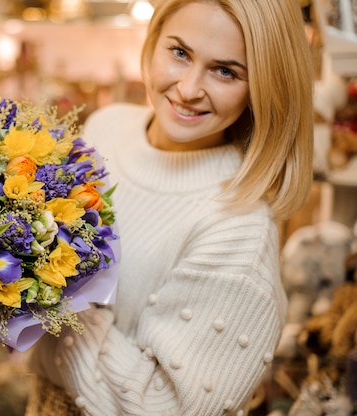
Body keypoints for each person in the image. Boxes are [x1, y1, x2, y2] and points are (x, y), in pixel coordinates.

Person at [26, 0, 314, 415]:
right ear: (154, 38)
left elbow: (165, 407)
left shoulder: (239, 230)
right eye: (180, 53)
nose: (189, 88)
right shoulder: (107, 126)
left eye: (226, 71)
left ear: (261, 87)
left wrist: (44, 300)